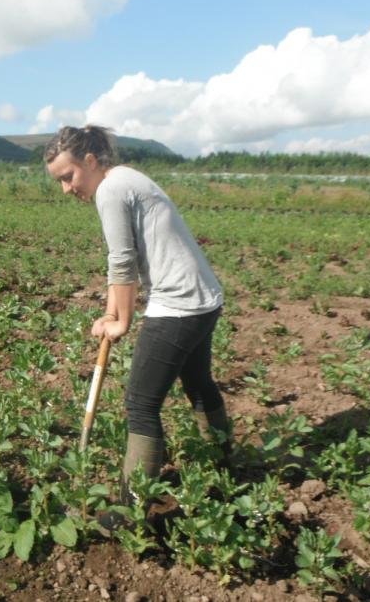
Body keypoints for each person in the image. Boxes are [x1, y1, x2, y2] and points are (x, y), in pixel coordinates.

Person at [44, 125, 230, 532]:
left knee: (141, 405)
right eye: (59, 181)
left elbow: (122, 261)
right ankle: (224, 466)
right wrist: (110, 312)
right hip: (203, 299)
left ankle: (129, 514)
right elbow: (126, 261)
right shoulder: (127, 178)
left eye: (68, 176)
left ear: (90, 161)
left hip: (178, 305)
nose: (66, 189)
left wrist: (121, 321)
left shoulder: (111, 190)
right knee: (198, 382)